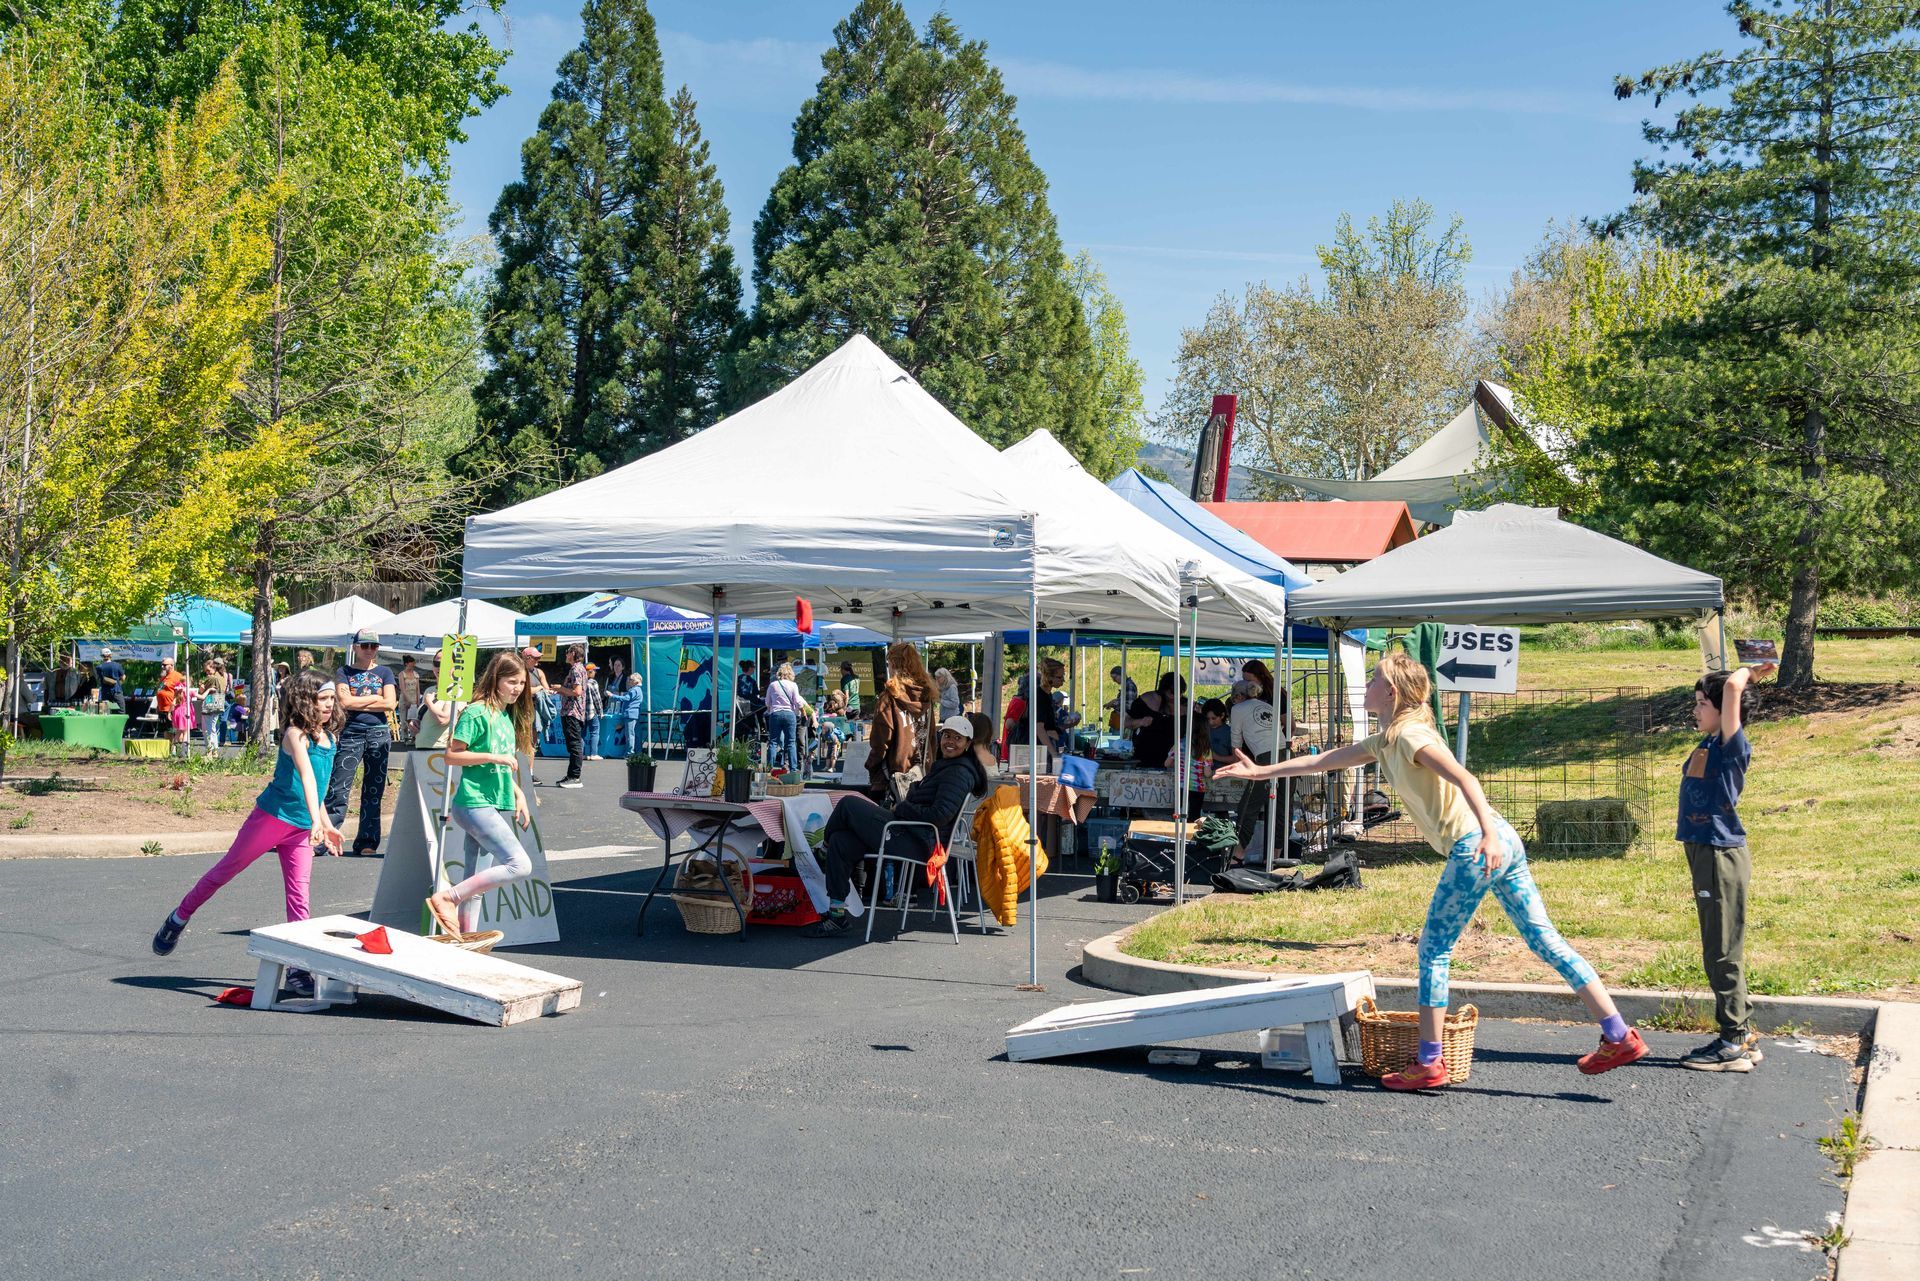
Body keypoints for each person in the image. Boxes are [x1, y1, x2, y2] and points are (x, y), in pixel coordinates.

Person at [1215, 649, 1646, 1089]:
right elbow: (1322, 761)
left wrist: (1487, 837)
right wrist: (1261, 771)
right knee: (1545, 941)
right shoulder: (1387, 738)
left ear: (1392, 692)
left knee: (1434, 950)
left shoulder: (1410, 737)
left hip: (1477, 844)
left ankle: (1429, 1062)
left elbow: (1467, 779)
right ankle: (1618, 1035)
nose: (1366, 684)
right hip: (1497, 839)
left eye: (1374, 678)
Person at [150, 671, 344, 998]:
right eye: (322, 699)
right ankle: (178, 917)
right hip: (270, 819)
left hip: (300, 828)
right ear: (305, 700)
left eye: (331, 700)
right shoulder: (295, 734)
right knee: (224, 872)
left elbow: (320, 788)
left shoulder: (330, 739)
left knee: (300, 898)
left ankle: (297, 968)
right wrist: (317, 822)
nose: (329, 705)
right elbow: (306, 776)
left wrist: (325, 823)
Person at [806, 715, 990, 939]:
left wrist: (903, 808)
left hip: (919, 841)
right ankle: (836, 916)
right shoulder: (949, 766)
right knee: (841, 842)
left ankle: (822, 851)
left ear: (968, 744)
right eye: (947, 736)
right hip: (910, 832)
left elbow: (939, 816)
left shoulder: (959, 773)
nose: (950, 741)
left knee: (848, 804)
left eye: (957, 738)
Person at [1677, 661, 1774, 1072]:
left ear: (1724, 709)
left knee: (1722, 949)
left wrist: (1749, 671)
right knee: (1718, 946)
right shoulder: (1711, 743)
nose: (1695, 711)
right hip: (1704, 851)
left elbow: (1733, 688)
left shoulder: (1733, 746)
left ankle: (1733, 1041)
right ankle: (1743, 1035)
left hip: (1719, 853)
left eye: (1702, 704)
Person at [426, 652, 539, 936]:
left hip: (492, 803)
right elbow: (452, 755)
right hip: (475, 804)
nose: (518, 688)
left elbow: (502, 763)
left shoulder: (503, 716)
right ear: (495, 680)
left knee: (475, 885)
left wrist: (518, 793)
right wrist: (492, 757)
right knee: (520, 864)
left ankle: (466, 943)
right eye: (512, 681)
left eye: (522, 682)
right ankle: (447, 897)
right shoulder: (476, 712)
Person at [325, 629, 397, 856]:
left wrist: (364, 701)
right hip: (351, 732)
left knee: (373, 790)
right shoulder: (344, 671)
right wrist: (376, 698)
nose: (369, 650)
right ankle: (325, 838)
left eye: (373, 646)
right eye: (364, 645)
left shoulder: (385, 672)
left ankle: (367, 840)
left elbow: (391, 704)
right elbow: (344, 701)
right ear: (355, 647)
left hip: (378, 733)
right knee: (339, 787)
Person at [866, 642, 938, 802]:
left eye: (889, 664)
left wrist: (872, 767)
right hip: (923, 775)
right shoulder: (927, 696)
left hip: (894, 779)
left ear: (894, 664)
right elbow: (931, 738)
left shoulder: (889, 698)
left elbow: (880, 742)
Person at [1226, 678, 1280, 863]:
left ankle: (1237, 854)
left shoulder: (1237, 709)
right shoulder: (1267, 706)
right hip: (1286, 756)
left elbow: (1236, 743)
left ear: (1239, 696)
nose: (1233, 701)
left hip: (1265, 759)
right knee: (1280, 808)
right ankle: (1274, 857)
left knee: (1248, 806)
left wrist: (1236, 764)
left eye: (1234, 698)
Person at [1125, 672, 1184, 772]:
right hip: (1146, 759)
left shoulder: (1186, 705)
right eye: (1172, 693)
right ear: (1164, 690)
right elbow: (1126, 722)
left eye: (1180, 693)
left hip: (1174, 762)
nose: (1175, 697)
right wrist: (1140, 722)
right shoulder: (1145, 700)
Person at [556, 644, 588, 789]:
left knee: (574, 744)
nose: (566, 654)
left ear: (573, 653)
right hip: (572, 712)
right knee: (572, 744)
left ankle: (575, 777)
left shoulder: (576, 669)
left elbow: (577, 691)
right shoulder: (579, 668)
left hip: (572, 712)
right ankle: (571, 775)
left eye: (568, 652)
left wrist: (560, 689)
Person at [764, 661, 805, 771]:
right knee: (791, 743)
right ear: (790, 673)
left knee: (773, 742)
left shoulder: (772, 685)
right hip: (789, 714)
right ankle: (793, 769)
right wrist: (803, 712)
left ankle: (769, 769)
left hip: (775, 714)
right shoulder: (793, 685)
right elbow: (798, 702)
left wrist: (771, 710)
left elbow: (767, 702)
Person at [816, 688, 850, 771]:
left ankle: (832, 767)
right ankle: (828, 766)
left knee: (834, 753)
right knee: (829, 752)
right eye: (833, 695)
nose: (833, 696)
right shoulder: (833, 702)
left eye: (834, 695)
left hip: (836, 733)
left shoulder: (842, 703)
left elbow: (842, 712)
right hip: (831, 728)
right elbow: (828, 710)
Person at [200, 658, 230, 749]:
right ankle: (215, 749)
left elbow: (203, 692)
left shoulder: (212, 678)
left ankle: (210, 750)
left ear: (214, 668)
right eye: (206, 671)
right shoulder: (222, 677)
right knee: (213, 728)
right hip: (219, 702)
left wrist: (201, 688)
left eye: (208, 670)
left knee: (208, 729)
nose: (207, 673)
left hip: (210, 703)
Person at [734, 659, 764, 742]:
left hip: (738, 707)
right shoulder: (751, 681)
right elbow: (752, 694)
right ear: (750, 668)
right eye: (753, 668)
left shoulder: (738, 678)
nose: (754, 670)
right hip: (749, 708)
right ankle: (762, 732)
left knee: (740, 729)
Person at [1103, 665, 1138, 732]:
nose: (1113, 681)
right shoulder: (1126, 685)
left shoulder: (1129, 686)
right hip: (1119, 723)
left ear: (1121, 675)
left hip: (1123, 724)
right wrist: (1112, 704)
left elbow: (1129, 706)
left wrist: (1114, 702)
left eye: (1114, 678)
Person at [397, 656, 422, 747]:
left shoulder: (416, 674)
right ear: (406, 663)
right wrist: (407, 700)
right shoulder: (402, 674)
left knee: (414, 720)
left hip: (414, 700)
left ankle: (414, 738)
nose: (413, 664)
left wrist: (418, 700)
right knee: (404, 720)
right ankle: (405, 738)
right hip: (404, 699)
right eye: (411, 662)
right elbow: (402, 688)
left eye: (413, 662)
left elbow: (417, 689)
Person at [582, 661, 606, 761]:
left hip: (581, 713)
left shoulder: (580, 682)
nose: (595, 672)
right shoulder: (593, 682)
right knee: (594, 733)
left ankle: (581, 754)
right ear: (590, 672)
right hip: (592, 712)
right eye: (594, 671)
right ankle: (593, 754)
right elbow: (597, 699)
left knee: (581, 734)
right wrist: (601, 712)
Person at [94, 647, 127, 712]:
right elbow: (123, 677)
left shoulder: (99, 667)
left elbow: (99, 679)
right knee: (121, 711)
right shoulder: (117, 665)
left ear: (102, 656)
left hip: (105, 693)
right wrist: (118, 684)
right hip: (117, 692)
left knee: (105, 712)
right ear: (110, 655)